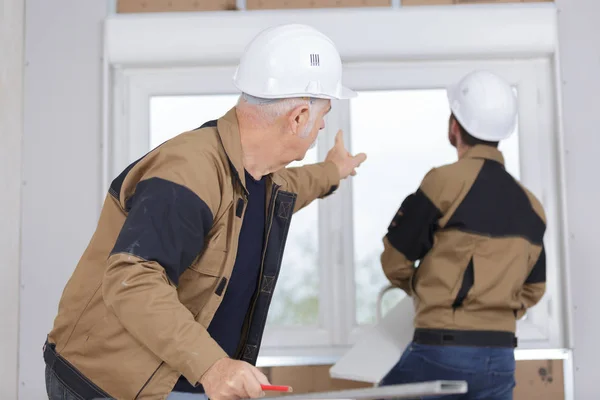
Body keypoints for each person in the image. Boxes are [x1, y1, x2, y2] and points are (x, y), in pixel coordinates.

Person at [43, 23, 366, 400]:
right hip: (102, 384)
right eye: (323, 113)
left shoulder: (264, 179)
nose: (324, 124)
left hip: (179, 380)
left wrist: (334, 171)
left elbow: (301, 184)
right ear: (297, 117)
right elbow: (132, 280)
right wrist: (213, 366)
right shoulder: (189, 171)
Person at [378, 70, 546, 400]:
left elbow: (395, 259)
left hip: (442, 348)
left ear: (454, 126)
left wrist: (424, 291)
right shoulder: (532, 206)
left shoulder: (444, 183)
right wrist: (494, 309)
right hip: (499, 358)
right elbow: (534, 288)